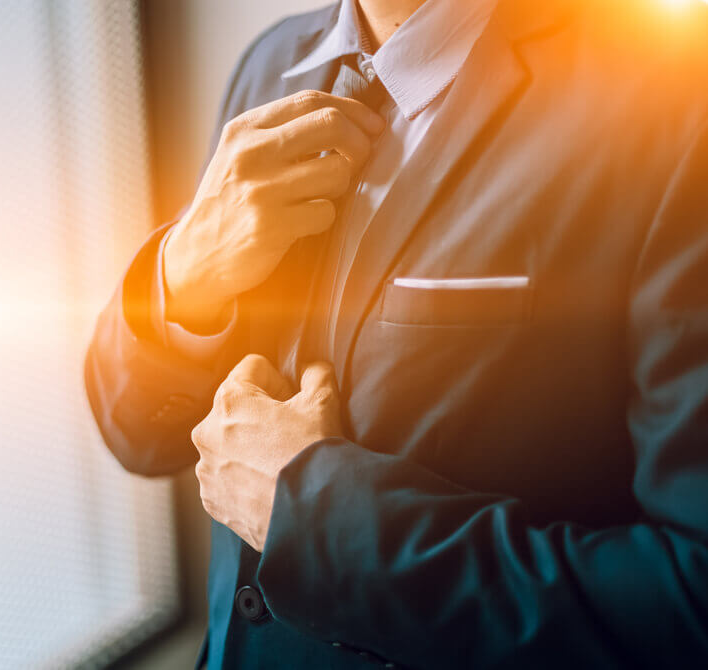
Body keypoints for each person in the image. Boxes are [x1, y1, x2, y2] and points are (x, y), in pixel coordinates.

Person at [84, 0, 708, 666]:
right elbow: (137, 435)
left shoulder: (677, 100)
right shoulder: (268, 64)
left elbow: (691, 605)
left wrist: (317, 524)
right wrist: (181, 276)